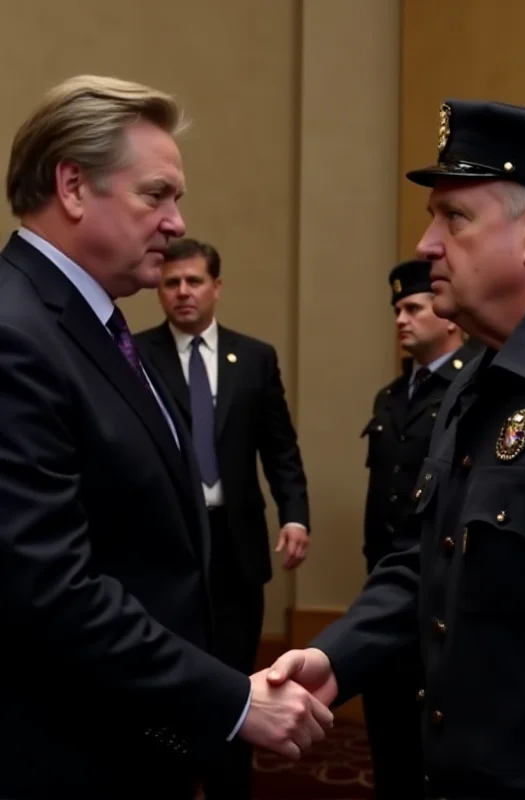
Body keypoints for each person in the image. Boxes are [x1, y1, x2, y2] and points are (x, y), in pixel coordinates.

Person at [0, 74, 332, 800]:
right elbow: (48, 585)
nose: (178, 222)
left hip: (130, 731)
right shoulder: (16, 333)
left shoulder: (96, 323)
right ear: (74, 186)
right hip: (66, 752)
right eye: (157, 195)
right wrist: (232, 699)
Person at [266, 98, 525, 798]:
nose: (425, 246)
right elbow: (427, 556)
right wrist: (333, 656)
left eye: (454, 218)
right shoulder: (480, 371)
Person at [136, 236, 310, 798]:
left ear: (217, 287)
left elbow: (280, 447)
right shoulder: (134, 357)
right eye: (171, 283)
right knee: (167, 683)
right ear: (158, 291)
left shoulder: (254, 358)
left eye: (194, 281)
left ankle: (230, 786)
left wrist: (296, 515)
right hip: (168, 546)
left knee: (238, 681)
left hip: (236, 547)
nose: (183, 293)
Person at [361, 258, 480, 799]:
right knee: (386, 735)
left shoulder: (475, 388)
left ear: (449, 318)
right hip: (387, 589)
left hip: (442, 600)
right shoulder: (390, 396)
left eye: (413, 307)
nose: (401, 320)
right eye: (395, 311)